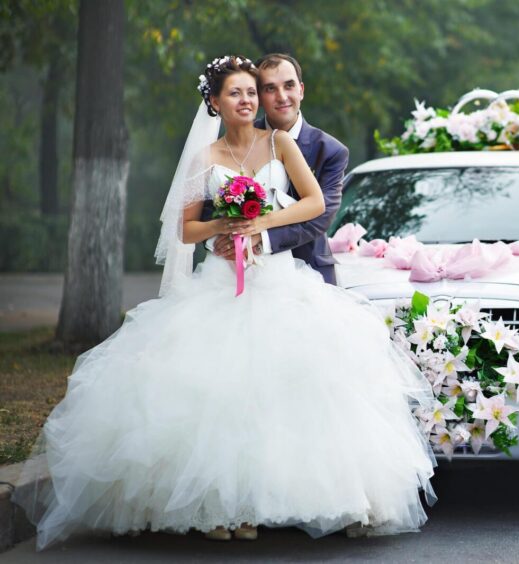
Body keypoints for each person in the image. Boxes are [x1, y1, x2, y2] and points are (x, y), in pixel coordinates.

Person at [21, 55, 436, 550]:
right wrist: (223, 225)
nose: (248, 100)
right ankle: (217, 506)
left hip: (280, 280)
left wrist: (260, 222)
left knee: (287, 387)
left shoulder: (280, 143)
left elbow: (315, 204)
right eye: (236, 93)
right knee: (216, 392)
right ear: (214, 102)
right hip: (220, 282)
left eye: (251, 93)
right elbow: (186, 227)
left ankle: (282, 499)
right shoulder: (204, 159)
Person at [207, 53, 347, 285]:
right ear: (259, 95)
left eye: (289, 86)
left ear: (301, 90)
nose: (282, 97)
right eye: (270, 88)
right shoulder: (240, 137)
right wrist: (220, 240)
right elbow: (211, 198)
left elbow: (319, 217)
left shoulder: (331, 151)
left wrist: (259, 237)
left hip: (310, 273)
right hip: (242, 272)